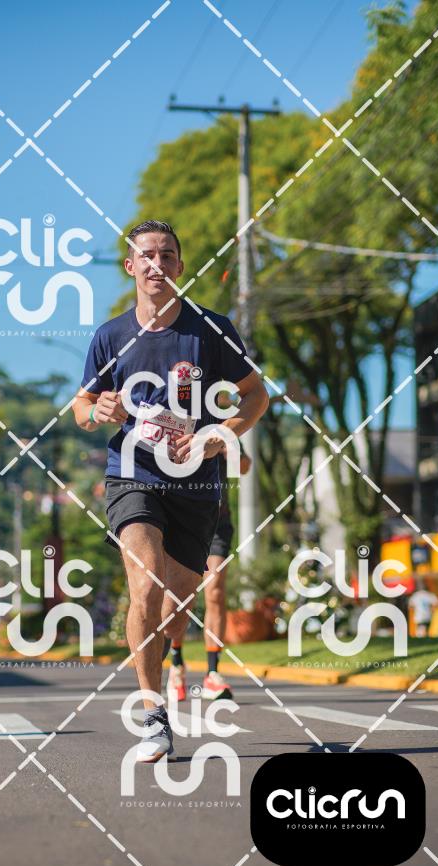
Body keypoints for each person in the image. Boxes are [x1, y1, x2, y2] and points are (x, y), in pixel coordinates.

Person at [73, 220, 268, 763]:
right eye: (146, 255)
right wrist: (98, 410)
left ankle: (165, 658)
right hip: (133, 474)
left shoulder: (212, 329)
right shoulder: (111, 336)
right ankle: (153, 715)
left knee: (177, 606)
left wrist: (222, 435)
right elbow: (82, 406)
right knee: (145, 583)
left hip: (198, 484)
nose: (156, 263)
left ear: (180, 266)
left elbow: (256, 395)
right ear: (130, 266)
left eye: (167, 255)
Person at [167, 444, 251, 702]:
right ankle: (176, 663)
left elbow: (244, 467)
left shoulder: (222, 427)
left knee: (215, 591)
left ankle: (212, 673)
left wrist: (230, 449)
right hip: (181, 520)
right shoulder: (179, 422)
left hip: (217, 522)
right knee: (181, 595)